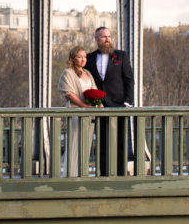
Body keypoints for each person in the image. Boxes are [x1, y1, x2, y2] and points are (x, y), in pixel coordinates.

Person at [85, 27, 134, 176]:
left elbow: (129, 79)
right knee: (101, 142)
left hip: (119, 104)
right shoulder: (90, 58)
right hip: (99, 106)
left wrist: (127, 102)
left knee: (120, 141)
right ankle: (104, 173)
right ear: (96, 39)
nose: (107, 39)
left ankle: (120, 173)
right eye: (103, 37)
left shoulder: (121, 56)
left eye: (109, 36)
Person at [57, 46, 99, 177]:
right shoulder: (68, 73)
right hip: (76, 112)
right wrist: (82, 105)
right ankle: (71, 174)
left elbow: (95, 91)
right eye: (80, 57)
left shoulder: (88, 73)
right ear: (73, 58)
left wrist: (99, 105)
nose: (83, 60)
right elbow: (68, 93)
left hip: (90, 114)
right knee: (75, 141)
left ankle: (82, 173)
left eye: (85, 57)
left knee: (86, 142)